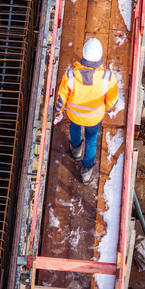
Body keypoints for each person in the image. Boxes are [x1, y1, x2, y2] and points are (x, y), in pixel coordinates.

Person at [52, 38, 122, 184]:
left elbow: (61, 98)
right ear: (100, 56)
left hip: (74, 114)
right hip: (94, 118)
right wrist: (106, 107)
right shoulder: (107, 77)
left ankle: (76, 151)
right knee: (91, 142)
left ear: (84, 54)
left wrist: (58, 112)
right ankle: (86, 173)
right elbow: (113, 100)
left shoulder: (70, 75)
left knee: (74, 128)